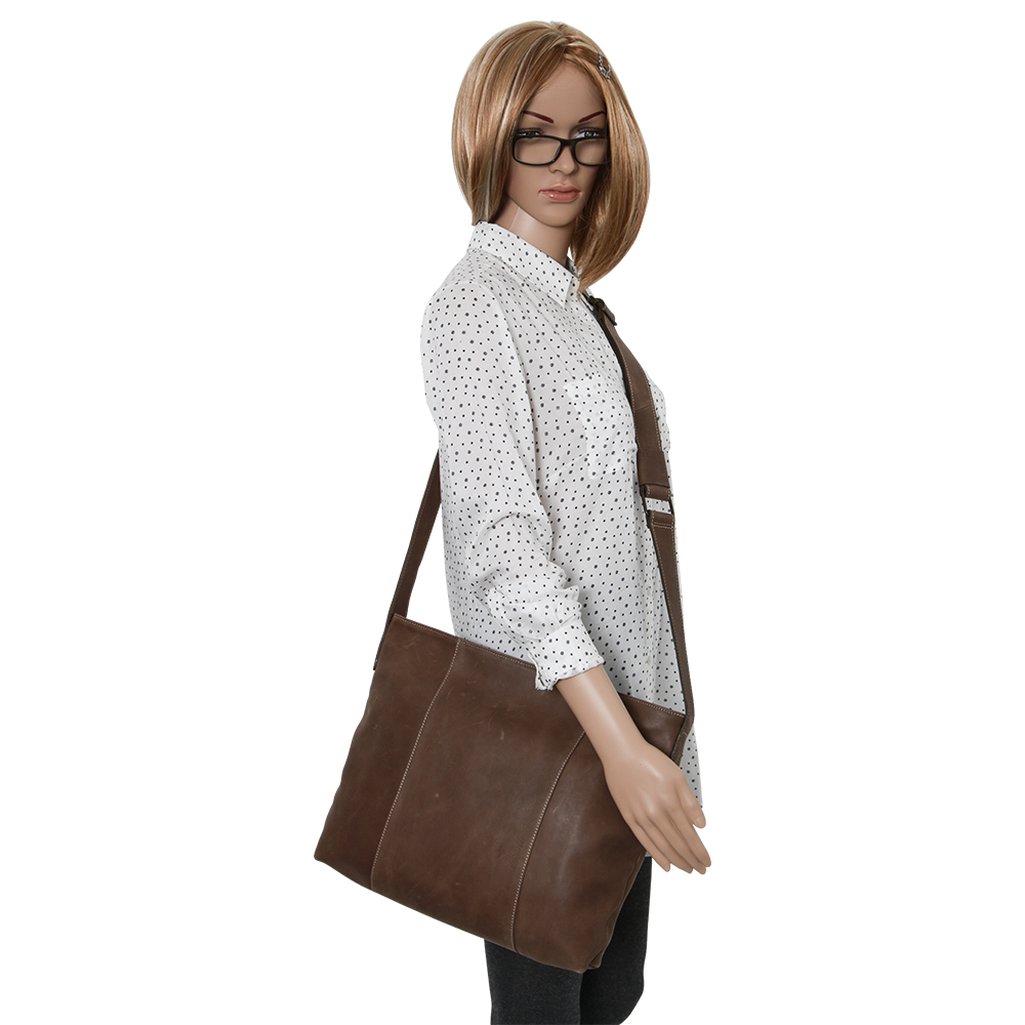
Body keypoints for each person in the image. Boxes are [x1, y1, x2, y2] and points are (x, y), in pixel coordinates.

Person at [419, 21, 712, 1024]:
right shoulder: (475, 303)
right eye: (533, 133)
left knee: (610, 993)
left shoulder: (580, 311)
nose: (564, 160)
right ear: (489, 134)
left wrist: (654, 741)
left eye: (587, 134)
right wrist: (620, 746)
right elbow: (502, 547)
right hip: (549, 731)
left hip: (622, 725)